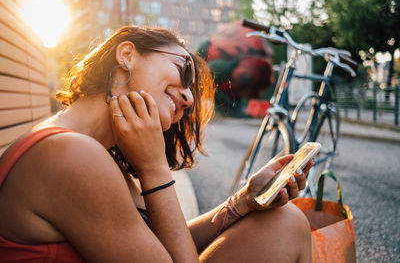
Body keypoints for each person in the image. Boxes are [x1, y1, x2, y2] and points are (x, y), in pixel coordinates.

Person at [0, 25, 312, 262]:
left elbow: (154, 242)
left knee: (283, 221)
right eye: (184, 70)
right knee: (288, 226)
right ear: (126, 56)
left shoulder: (92, 150)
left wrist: (243, 201)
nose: (189, 97)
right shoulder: (69, 154)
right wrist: (152, 167)